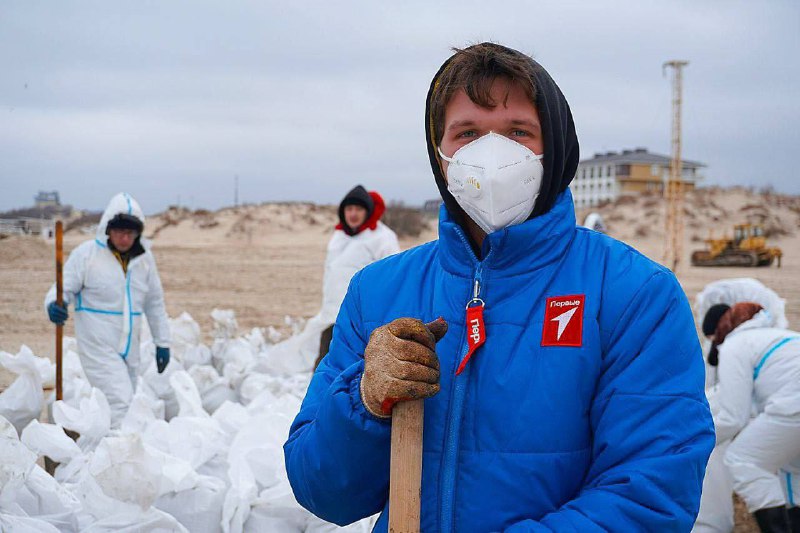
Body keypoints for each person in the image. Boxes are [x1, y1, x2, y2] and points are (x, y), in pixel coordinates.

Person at [284, 43, 714, 531]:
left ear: (555, 145)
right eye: (467, 134)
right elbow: (320, 490)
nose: (491, 154)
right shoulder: (380, 291)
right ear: (440, 155)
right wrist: (362, 404)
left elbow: (652, 494)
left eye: (518, 132)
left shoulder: (634, 294)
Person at [45, 192, 170, 427]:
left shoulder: (144, 260)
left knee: (128, 401)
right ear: (107, 229)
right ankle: (119, 457)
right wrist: (55, 305)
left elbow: (154, 302)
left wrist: (163, 342)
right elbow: (63, 288)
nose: (124, 238)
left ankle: (105, 452)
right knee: (119, 403)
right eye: (119, 231)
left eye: (130, 233)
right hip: (98, 343)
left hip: (129, 345)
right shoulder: (87, 255)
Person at [264, 185, 399, 375]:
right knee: (324, 368)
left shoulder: (382, 238)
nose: (353, 214)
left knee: (358, 370)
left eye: (358, 209)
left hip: (363, 319)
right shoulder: (338, 236)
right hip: (331, 316)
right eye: (349, 209)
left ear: (367, 211)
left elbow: (392, 277)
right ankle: (320, 402)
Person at [694, 302, 800, 533]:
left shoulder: (734, 345)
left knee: (743, 459)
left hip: (794, 401)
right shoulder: (776, 335)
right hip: (793, 400)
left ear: (720, 332)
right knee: (793, 472)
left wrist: (697, 441)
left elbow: (733, 417)